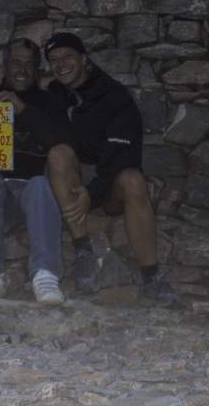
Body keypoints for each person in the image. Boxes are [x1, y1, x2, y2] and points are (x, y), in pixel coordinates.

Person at [43, 32, 163, 297]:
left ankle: (151, 277)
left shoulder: (114, 95)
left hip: (109, 177)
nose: (61, 64)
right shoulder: (55, 93)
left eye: (68, 57)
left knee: (133, 180)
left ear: (84, 59)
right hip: (74, 176)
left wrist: (93, 191)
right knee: (58, 155)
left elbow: (122, 155)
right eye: (54, 60)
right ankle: (83, 250)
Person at [0, 38, 67, 304]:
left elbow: (60, 143)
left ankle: (45, 274)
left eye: (29, 64)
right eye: (16, 62)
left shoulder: (49, 102)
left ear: (37, 70)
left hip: (35, 196)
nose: (22, 69)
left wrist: (23, 110)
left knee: (40, 183)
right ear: (5, 66)